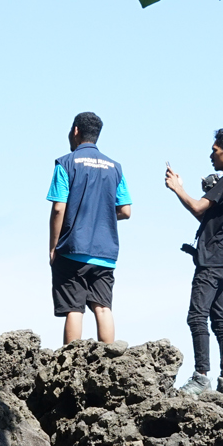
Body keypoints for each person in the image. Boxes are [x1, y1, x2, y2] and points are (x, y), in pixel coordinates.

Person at [164, 127, 223, 401]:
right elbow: (209, 220)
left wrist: (178, 189)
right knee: (222, 322)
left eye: (215, 150)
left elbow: (199, 208)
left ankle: (201, 377)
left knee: (197, 316)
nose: (211, 155)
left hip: (211, 262)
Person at [48, 111, 131, 344]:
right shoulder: (115, 168)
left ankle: (70, 366)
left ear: (75, 131)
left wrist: (54, 247)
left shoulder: (65, 163)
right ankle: (110, 363)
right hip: (105, 252)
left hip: (73, 248)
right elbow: (125, 211)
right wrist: (102, 212)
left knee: (74, 309)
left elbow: (57, 209)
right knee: (103, 308)